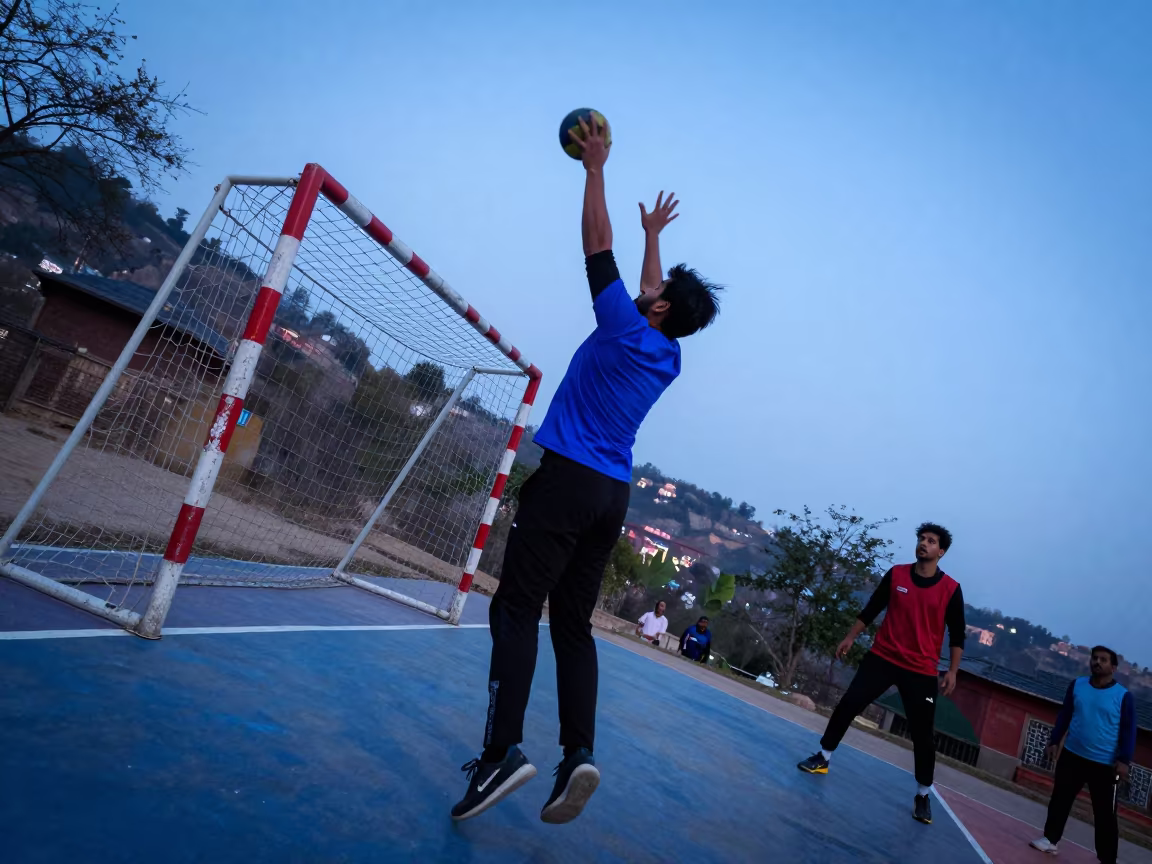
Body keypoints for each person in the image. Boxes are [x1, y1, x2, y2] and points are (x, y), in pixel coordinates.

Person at [451, 114, 723, 824]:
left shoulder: (621, 324)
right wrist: (656, 238)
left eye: (656, 292)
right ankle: (579, 754)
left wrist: (594, 168)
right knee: (573, 627)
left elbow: (595, 246)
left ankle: (501, 755)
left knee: (513, 610)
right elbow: (651, 292)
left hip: (567, 482)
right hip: (611, 497)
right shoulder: (667, 352)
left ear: (659, 308)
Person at [796, 522, 966, 826]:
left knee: (923, 736)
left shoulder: (951, 589)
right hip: (883, 657)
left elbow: (957, 634)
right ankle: (823, 757)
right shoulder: (898, 574)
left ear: (941, 552)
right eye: (921, 539)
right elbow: (872, 608)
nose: (923, 544)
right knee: (849, 703)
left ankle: (923, 795)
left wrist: (952, 670)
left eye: (930, 541)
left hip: (921, 670)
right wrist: (850, 637)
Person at [1029, 646, 1136, 862]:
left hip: (1104, 764)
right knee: (1060, 799)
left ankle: (1107, 859)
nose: (1097, 662)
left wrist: (1124, 760)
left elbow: (1128, 730)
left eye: (1103, 660)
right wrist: (1054, 740)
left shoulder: (1123, 696)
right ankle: (1050, 840)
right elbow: (1065, 714)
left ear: (1113, 667)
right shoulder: (1077, 685)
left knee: (1105, 814)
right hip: (1072, 756)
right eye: (1095, 658)